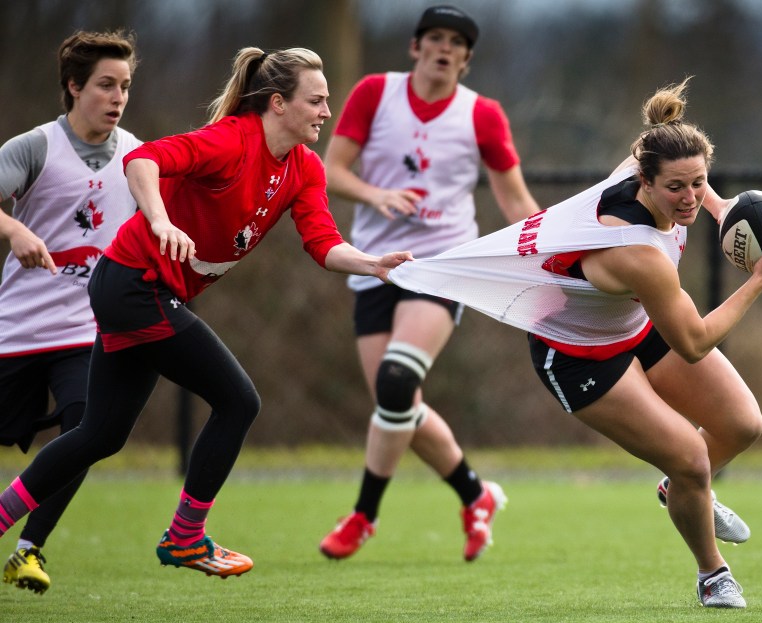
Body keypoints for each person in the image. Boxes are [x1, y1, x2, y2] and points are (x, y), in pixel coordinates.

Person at [0, 46, 411, 580]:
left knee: (99, 435)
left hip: (141, 291)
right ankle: (185, 537)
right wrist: (160, 219)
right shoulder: (230, 139)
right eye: (316, 101)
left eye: (327, 101)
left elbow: (323, 242)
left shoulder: (305, 168)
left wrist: (372, 263)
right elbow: (141, 160)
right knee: (238, 401)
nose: (325, 112)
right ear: (278, 104)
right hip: (132, 285)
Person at [388, 78, 762, 608]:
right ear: (645, 183)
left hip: (631, 324)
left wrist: (724, 212)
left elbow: (692, 183)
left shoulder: (646, 167)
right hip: (577, 354)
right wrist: (761, 277)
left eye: (699, 182)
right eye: (677, 188)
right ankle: (712, 573)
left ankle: (680, 492)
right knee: (693, 459)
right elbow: (694, 342)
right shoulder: (637, 252)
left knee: (743, 424)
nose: (690, 197)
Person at [319, 5, 540, 562]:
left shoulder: (482, 115)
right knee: (400, 408)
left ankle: (363, 515)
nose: (444, 48)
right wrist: (377, 197)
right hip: (375, 265)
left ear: (466, 60)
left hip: (444, 267)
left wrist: (553, 253)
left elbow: (514, 200)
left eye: (456, 43)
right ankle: (475, 493)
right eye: (434, 38)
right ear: (415, 47)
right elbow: (331, 170)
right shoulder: (375, 93)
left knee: (396, 386)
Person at [0, 30, 141, 595]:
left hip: (86, 333)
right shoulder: (33, 148)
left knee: (91, 428)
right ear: (73, 86)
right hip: (16, 330)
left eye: (126, 87)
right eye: (106, 85)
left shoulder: (137, 156)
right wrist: (13, 229)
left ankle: (29, 549)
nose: (117, 97)